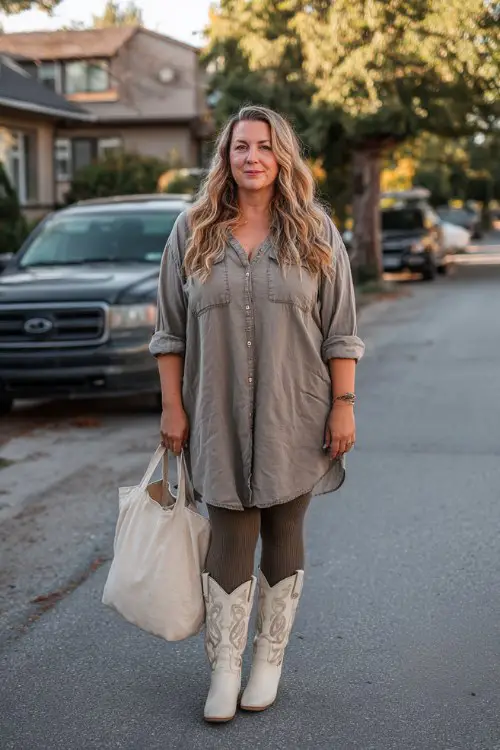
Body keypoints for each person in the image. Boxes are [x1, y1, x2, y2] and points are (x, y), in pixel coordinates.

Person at [150, 105, 365, 723]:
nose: (252, 158)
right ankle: (223, 668)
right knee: (230, 533)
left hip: (296, 410)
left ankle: (267, 662)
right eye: (241, 146)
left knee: (284, 530)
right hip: (212, 413)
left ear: (283, 156)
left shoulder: (316, 231)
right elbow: (170, 331)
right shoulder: (191, 230)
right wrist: (173, 408)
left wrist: (343, 407)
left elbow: (340, 332)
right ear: (225, 157)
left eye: (265, 147)